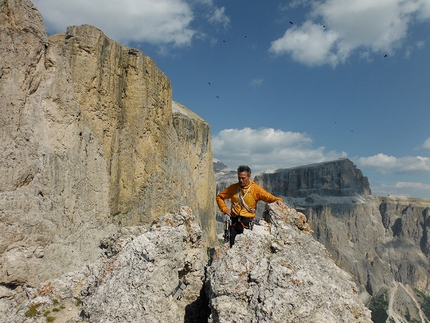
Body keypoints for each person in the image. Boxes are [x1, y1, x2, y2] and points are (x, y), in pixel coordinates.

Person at [216, 165, 286, 247]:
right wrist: (224, 209)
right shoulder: (233, 188)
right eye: (239, 178)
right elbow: (219, 197)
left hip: (247, 224)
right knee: (232, 247)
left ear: (249, 177)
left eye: (243, 178)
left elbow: (267, 196)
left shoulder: (255, 189)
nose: (240, 180)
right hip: (234, 223)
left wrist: (277, 200)